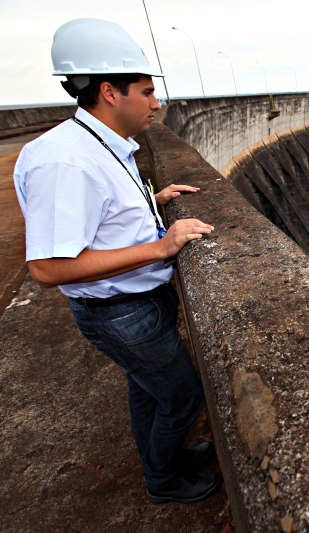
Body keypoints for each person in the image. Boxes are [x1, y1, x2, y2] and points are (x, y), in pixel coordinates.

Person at [13, 18, 220, 504]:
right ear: (109, 91)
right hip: (120, 313)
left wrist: (154, 200)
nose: (157, 103)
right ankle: (164, 482)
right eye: (146, 92)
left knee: (149, 390)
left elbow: (103, 214)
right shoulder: (64, 160)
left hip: (138, 304)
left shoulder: (100, 142)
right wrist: (161, 246)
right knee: (184, 396)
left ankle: (163, 461)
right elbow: (46, 268)